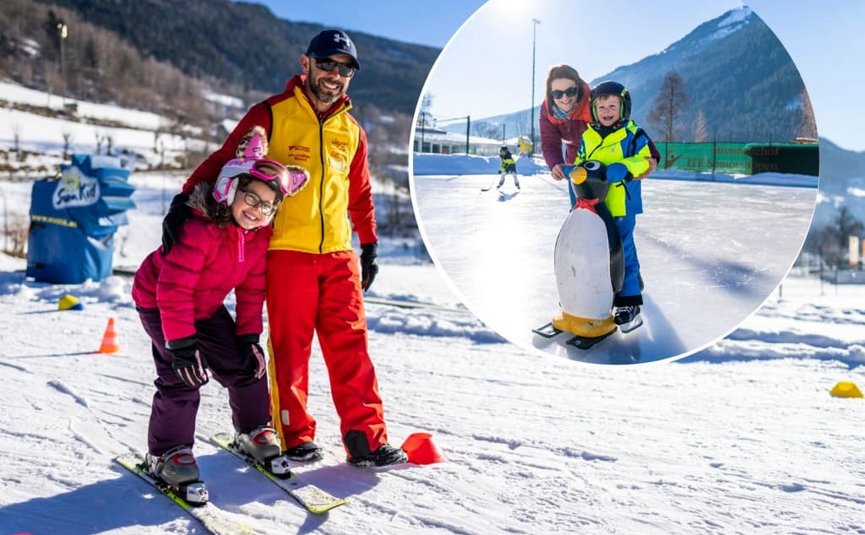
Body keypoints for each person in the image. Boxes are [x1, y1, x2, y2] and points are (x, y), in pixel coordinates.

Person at [161, 29, 406, 467]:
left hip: (337, 253)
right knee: (290, 347)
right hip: (284, 251)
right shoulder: (271, 114)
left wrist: (367, 244)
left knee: (352, 346)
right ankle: (294, 432)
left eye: (345, 69)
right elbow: (224, 161)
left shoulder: (352, 131)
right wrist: (184, 201)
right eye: (327, 64)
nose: (335, 75)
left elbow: (360, 192)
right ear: (305, 63)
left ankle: (366, 437)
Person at [133, 127, 301, 487]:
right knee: (183, 375)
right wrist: (181, 346)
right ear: (230, 189)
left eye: (267, 205)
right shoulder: (200, 228)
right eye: (251, 199)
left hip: (204, 306)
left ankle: (253, 430)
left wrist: (249, 337)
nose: (257, 211)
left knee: (247, 363)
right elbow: (173, 289)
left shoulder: (257, 238)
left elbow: (252, 290)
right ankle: (167, 453)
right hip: (160, 302)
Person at [573, 81, 653, 329]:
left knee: (623, 249)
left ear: (623, 107)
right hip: (593, 204)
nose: (606, 111)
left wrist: (628, 167)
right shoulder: (588, 135)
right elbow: (580, 160)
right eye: (601, 106)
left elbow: (648, 160)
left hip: (621, 206)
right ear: (594, 109)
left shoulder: (633, 134)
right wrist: (573, 170)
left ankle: (629, 300)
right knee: (593, 251)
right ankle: (594, 294)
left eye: (612, 106)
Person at [539, 64, 658, 207]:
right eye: (557, 93)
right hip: (577, 163)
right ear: (550, 94)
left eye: (570, 91)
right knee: (581, 210)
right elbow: (549, 141)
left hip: (607, 165)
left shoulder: (595, 102)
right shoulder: (548, 111)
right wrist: (555, 164)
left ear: (578, 88)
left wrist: (652, 155)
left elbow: (624, 126)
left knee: (610, 211)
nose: (564, 98)